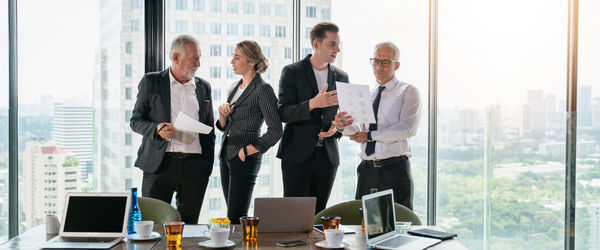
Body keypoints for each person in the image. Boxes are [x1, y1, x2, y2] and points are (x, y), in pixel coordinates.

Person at [130, 35, 215, 223]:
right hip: (160, 166)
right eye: (194, 58)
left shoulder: (204, 87)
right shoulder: (151, 82)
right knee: (154, 226)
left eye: (199, 58)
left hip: (195, 167)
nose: (198, 64)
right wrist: (157, 128)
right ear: (176, 58)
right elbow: (135, 121)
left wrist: (207, 165)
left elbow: (210, 129)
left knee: (189, 226)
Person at [335, 41, 421, 210]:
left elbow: (407, 129)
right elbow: (358, 129)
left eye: (385, 62)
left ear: (397, 65)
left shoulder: (408, 91)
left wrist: (369, 136)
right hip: (367, 171)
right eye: (376, 61)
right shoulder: (364, 94)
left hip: (395, 169)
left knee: (398, 223)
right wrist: (342, 125)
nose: (379, 66)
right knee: (363, 225)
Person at [277, 22, 349, 213]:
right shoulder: (292, 72)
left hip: (327, 157)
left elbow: (343, 118)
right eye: (332, 44)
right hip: (296, 155)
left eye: (338, 44)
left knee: (318, 216)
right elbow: (283, 112)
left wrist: (338, 127)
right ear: (316, 44)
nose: (337, 49)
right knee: (294, 215)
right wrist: (312, 104)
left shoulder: (342, 77)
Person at [216, 40, 282, 223]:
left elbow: (276, 130)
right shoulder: (235, 87)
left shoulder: (263, 90)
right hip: (226, 154)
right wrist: (222, 116)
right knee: (231, 215)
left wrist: (247, 151)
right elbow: (225, 125)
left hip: (245, 157)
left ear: (251, 61)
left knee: (236, 216)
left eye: (237, 57)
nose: (232, 62)